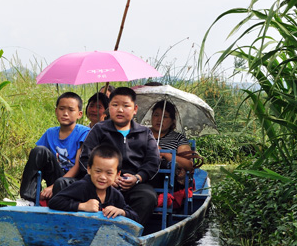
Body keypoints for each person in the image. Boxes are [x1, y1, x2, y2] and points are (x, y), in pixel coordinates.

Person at [76, 87, 160, 227]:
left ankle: (128, 233)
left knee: (148, 197)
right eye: (115, 105)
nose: (120, 110)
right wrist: (108, 177)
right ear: (109, 108)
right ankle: (88, 230)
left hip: (133, 184)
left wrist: (138, 178)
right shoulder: (99, 129)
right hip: (102, 182)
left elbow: (153, 161)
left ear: (135, 109)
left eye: (126, 106)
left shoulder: (144, 133)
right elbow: (86, 158)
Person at [18, 92, 90, 202]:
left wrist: (53, 187)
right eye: (62, 109)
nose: (65, 113)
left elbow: (78, 166)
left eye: (71, 110)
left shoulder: (84, 132)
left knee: (61, 183)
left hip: (73, 181)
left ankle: (54, 196)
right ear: (56, 111)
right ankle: (29, 198)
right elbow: (36, 160)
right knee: (39, 151)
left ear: (79, 114)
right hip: (56, 175)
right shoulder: (50, 133)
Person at [47, 144, 139, 221]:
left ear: (117, 175)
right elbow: (54, 202)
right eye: (98, 171)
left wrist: (121, 212)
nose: (102, 177)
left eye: (109, 173)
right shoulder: (82, 186)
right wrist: (81, 206)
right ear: (89, 169)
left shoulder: (115, 194)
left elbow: (135, 217)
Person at [148, 100, 197, 190]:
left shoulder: (178, 138)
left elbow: (188, 164)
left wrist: (164, 154)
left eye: (165, 117)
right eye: (156, 115)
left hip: (167, 180)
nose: (159, 119)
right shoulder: (142, 133)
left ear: (172, 121)